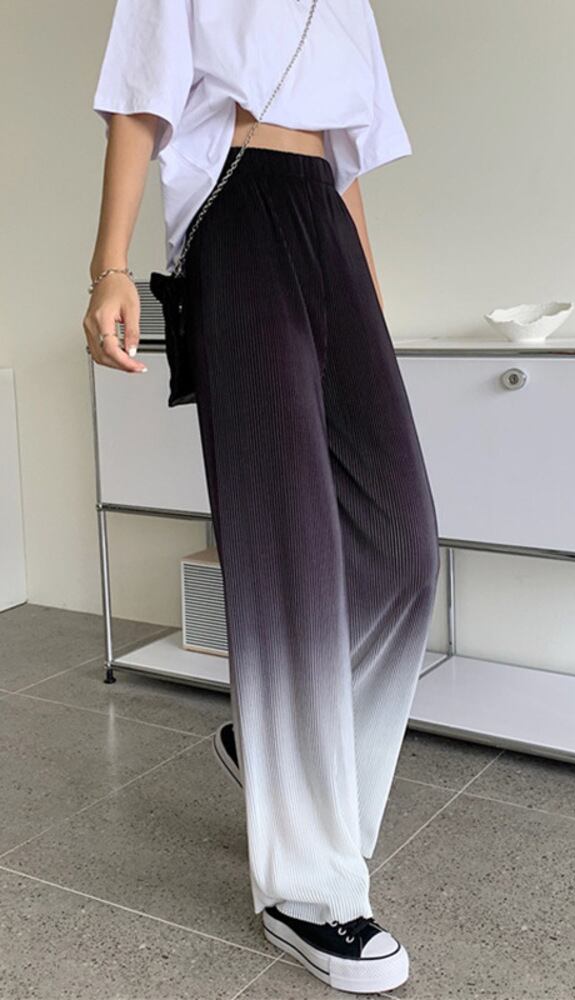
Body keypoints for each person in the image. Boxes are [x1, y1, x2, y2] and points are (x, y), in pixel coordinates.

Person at [82, 0, 440, 992]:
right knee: (288, 548)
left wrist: (370, 313)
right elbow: (139, 102)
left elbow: (348, 164)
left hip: (328, 225)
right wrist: (110, 267)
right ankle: (308, 891)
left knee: (403, 547)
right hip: (236, 217)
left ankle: (273, 749)